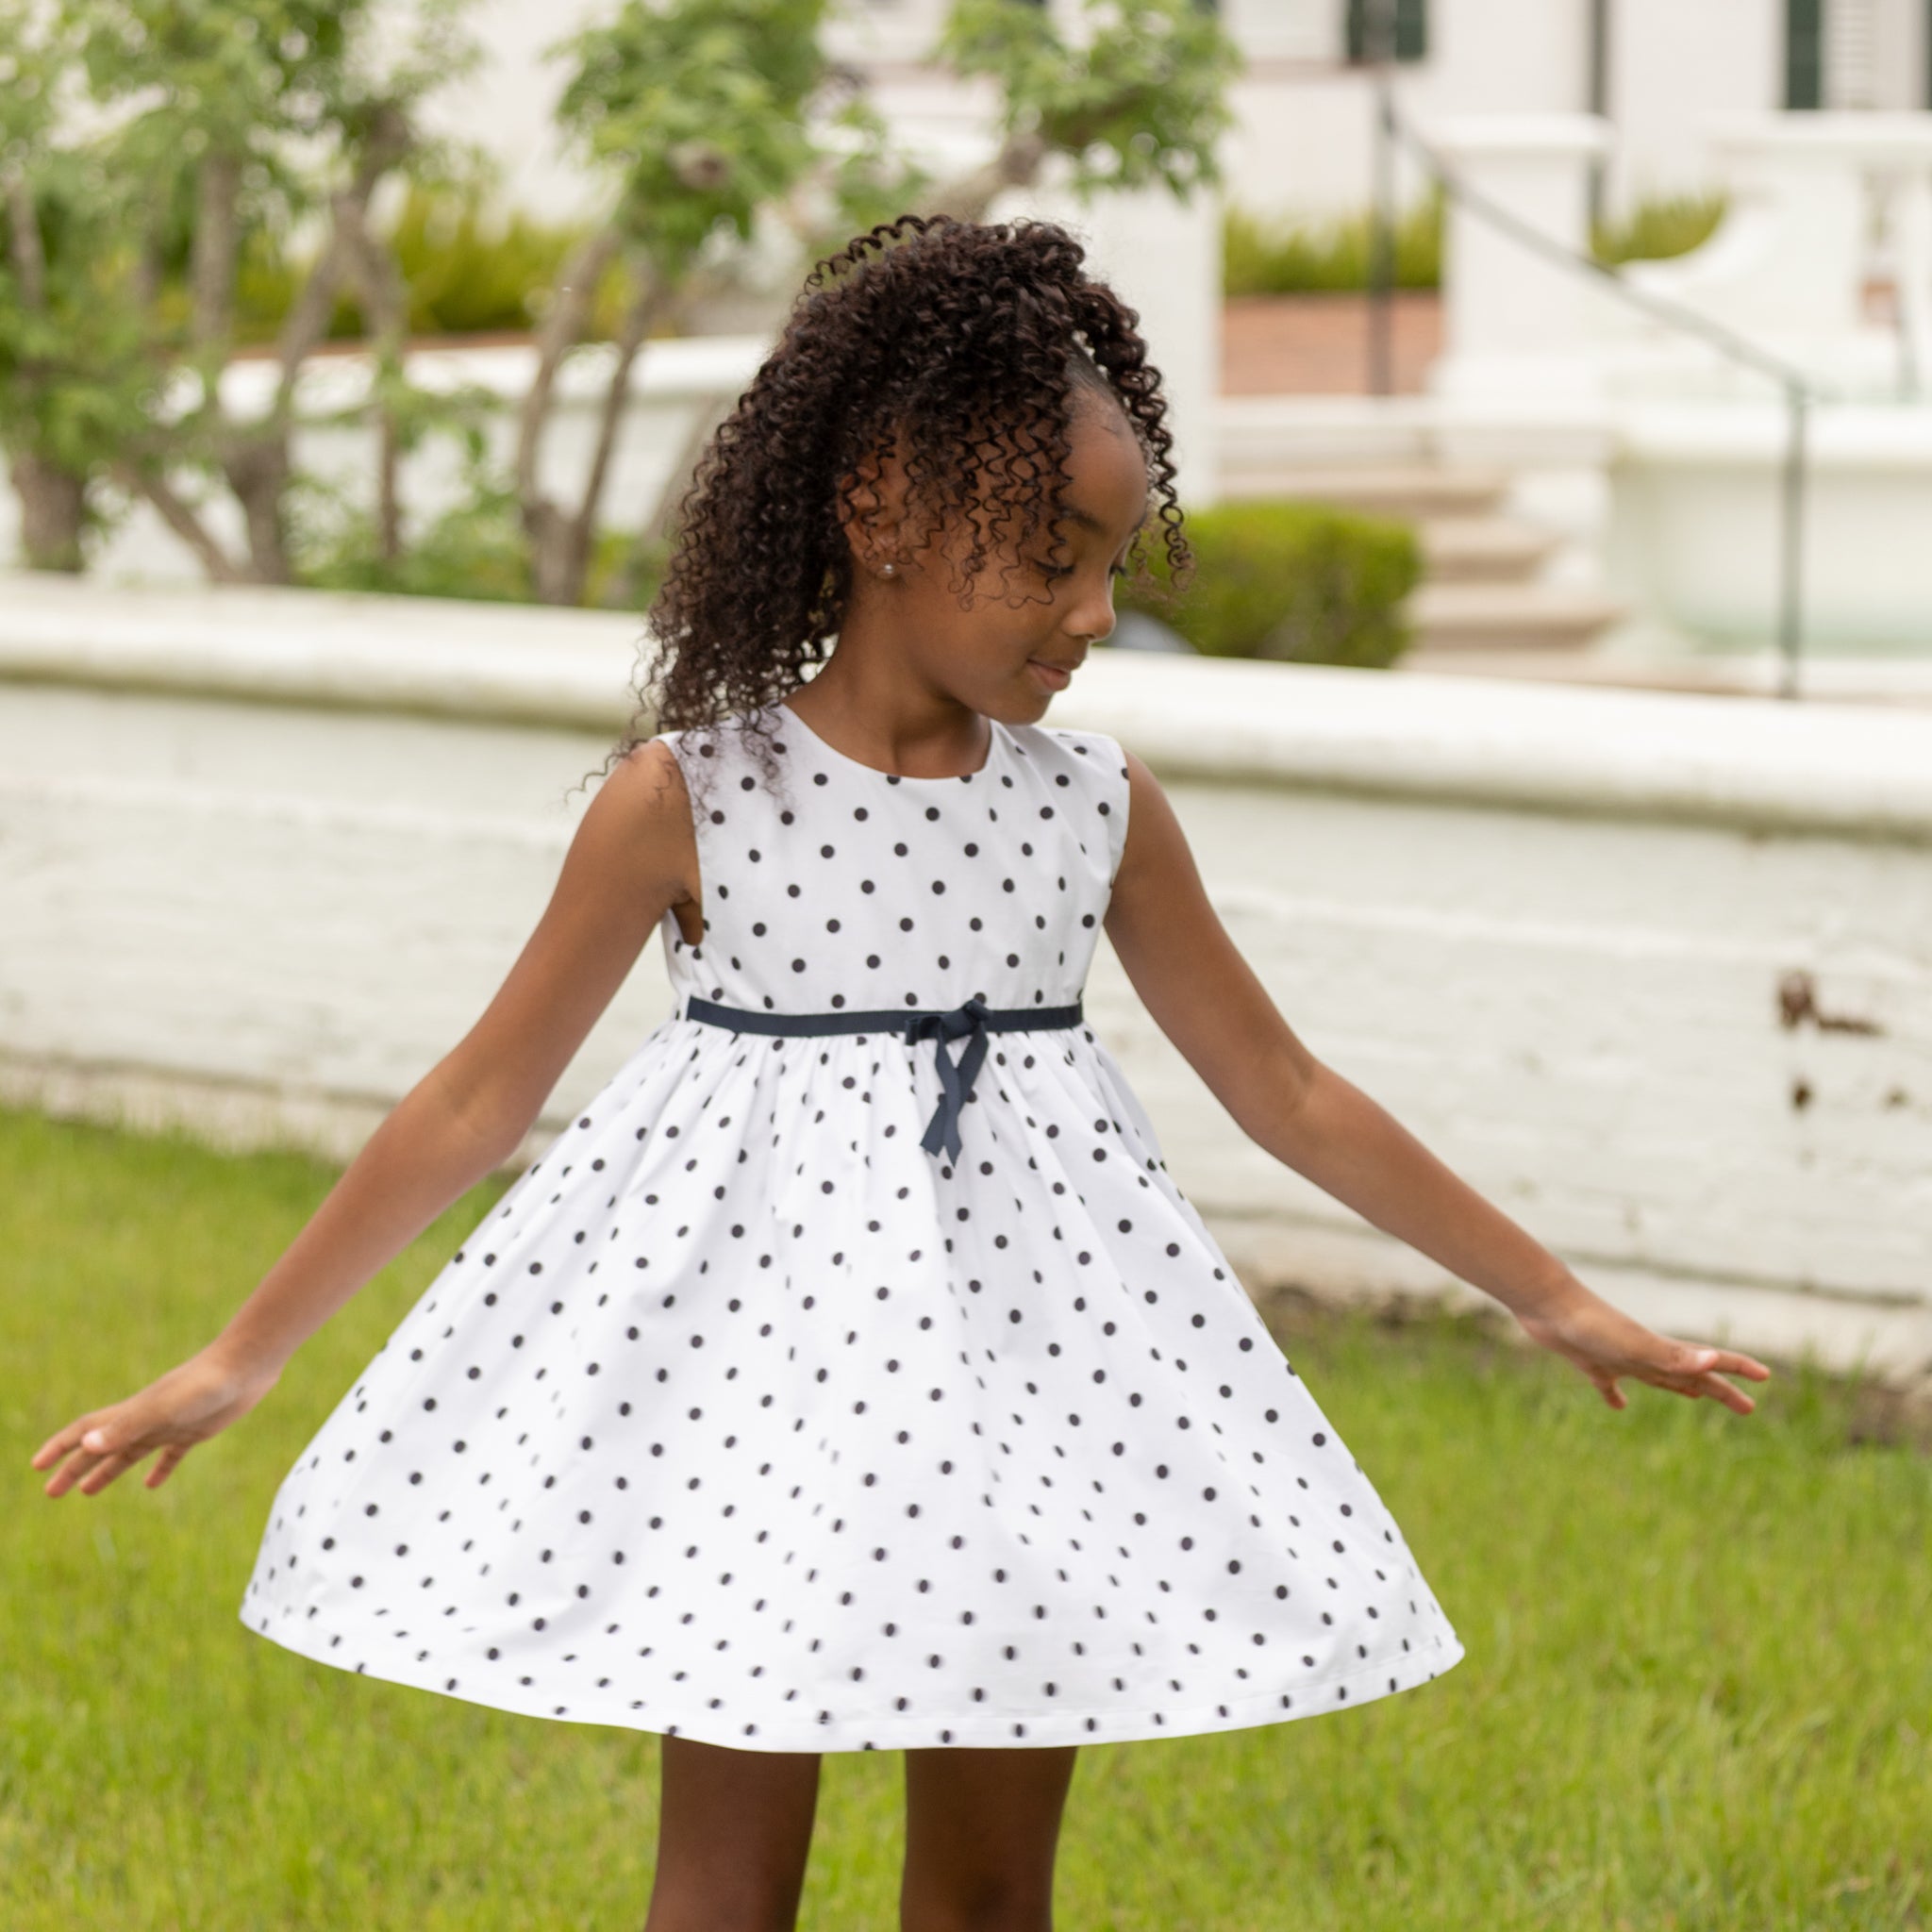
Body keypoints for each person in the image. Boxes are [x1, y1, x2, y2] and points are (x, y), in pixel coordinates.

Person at [32, 213, 1771, 1932]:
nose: (1096, 610)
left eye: (1114, 560)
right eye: (1053, 554)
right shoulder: (691, 801)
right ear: (878, 507)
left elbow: (1286, 1091)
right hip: (756, 1396)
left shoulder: (1097, 809)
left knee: (997, 1887)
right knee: (724, 1887)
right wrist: (239, 1357)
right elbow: (480, 1099)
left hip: (1038, 1388)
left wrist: (1557, 1301)